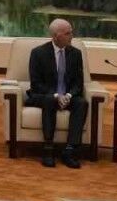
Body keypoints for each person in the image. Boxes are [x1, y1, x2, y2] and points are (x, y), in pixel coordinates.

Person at [25, 19, 88, 170]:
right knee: (49, 100)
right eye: (67, 33)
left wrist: (69, 95)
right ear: (55, 36)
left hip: (66, 96)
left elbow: (78, 83)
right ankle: (48, 149)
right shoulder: (38, 53)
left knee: (81, 103)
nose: (71, 36)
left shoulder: (76, 54)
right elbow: (36, 84)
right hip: (45, 95)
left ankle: (70, 150)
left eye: (71, 32)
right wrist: (55, 96)